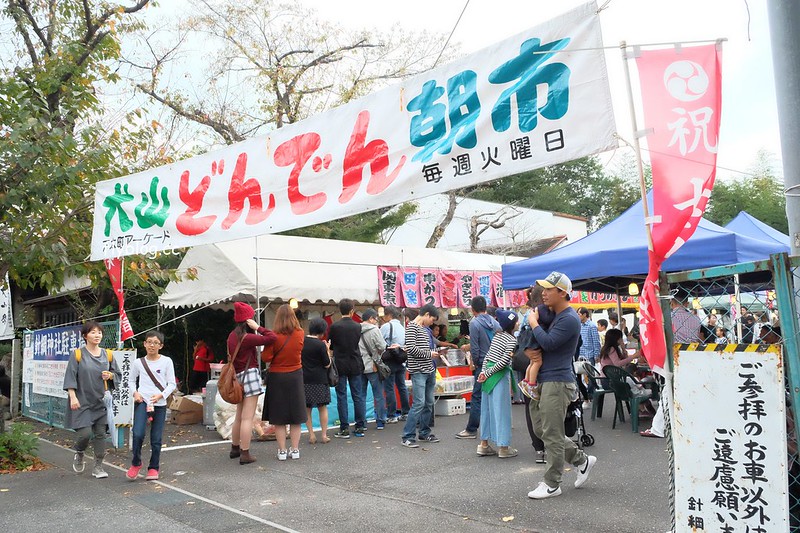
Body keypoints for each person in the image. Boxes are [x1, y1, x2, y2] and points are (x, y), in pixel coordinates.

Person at [525, 272, 596, 500]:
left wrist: (534, 323)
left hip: (558, 381)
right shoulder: (556, 315)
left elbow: (549, 343)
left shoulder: (569, 318)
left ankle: (552, 483)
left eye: (549, 289)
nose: (543, 294)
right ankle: (581, 460)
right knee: (541, 430)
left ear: (562, 292)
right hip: (546, 379)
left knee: (552, 434)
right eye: (543, 289)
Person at [63, 321, 122, 479]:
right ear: (85, 336)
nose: (97, 335)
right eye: (93, 332)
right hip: (82, 402)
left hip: (101, 402)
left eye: (99, 332)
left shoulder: (108, 354)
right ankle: (80, 452)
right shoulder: (78, 354)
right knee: (85, 434)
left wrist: (110, 376)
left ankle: (98, 466)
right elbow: (70, 377)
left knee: (101, 434)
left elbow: (117, 375)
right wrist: (73, 397)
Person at [640, 288, 701, 439]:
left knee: (667, 393)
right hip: (690, 358)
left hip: (670, 358)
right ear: (686, 302)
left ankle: (658, 428)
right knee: (687, 392)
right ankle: (686, 424)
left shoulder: (667, 318)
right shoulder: (696, 320)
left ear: (671, 302)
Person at [227, 302, 277, 464]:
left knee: (239, 416)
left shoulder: (231, 336)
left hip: (237, 377)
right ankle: (245, 453)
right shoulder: (247, 337)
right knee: (248, 417)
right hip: (250, 376)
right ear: (248, 320)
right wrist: (258, 327)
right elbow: (272, 337)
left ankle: (235, 448)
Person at [126, 330, 176, 481]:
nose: (151, 345)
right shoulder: (138, 363)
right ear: (144, 344)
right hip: (143, 402)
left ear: (161, 345)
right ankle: (136, 462)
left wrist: (161, 395)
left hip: (159, 404)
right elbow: (131, 381)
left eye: (155, 343)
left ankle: (154, 467)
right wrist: (135, 393)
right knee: (138, 433)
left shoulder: (167, 361)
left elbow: (172, 383)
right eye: (149, 342)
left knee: (156, 438)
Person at [261, 303, 307, 461]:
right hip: (295, 376)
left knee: (279, 417)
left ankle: (282, 451)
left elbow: (265, 358)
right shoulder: (300, 333)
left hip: (277, 377)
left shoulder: (273, 337)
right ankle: (295, 450)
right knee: (296, 416)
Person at [476, 309, 519, 459]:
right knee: (502, 411)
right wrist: (488, 373)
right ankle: (503, 447)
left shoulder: (497, 336)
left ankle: (484, 445)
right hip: (499, 376)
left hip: (488, 374)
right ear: (513, 325)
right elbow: (504, 362)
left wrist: (484, 373)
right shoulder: (512, 340)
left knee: (486, 410)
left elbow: (488, 356)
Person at [455, 296, 500, 440]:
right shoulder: (494, 322)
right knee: (494, 396)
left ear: (472, 309)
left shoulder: (474, 323)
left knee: (477, 397)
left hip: (482, 363)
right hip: (496, 363)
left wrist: (473, 363)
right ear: (485, 308)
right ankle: (495, 428)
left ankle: (471, 429)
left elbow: (475, 347)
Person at [401, 303, 441, 448]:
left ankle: (424, 432)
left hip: (429, 369)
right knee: (419, 403)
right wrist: (429, 354)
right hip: (418, 371)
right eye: (432, 319)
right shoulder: (411, 327)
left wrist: (433, 352)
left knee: (428, 403)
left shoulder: (424, 329)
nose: (432, 322)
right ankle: (408, 436)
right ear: (426, 315)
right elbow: (411, 349)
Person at [329, 298, 367, 439]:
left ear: (340, 310)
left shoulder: (334, 327)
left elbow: (332, 346)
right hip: (355, 363)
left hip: (340, 363)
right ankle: (360, 426)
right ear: (352, 311)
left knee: (342, 396)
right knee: (358, 395)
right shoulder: (358, 326)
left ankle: (344, 428)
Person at [302, 317, 332, 444]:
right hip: (320, 380)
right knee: (322, 407)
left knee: (307, 408)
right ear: (322, 331)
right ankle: (324, 435)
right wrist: (327, 350)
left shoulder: (302, 341)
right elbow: (327, 364)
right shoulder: (320, 344)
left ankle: (311, 435)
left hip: (305, 379)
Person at [359, 308, 388, 430]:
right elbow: (382, 346)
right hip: (373, 366)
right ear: (371, 318)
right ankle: (380, 421)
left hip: (359, 366)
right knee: (378, 395)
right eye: (375, 319)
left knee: (360, 396)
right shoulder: (375, 330)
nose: (376, 321)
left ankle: (362, 423)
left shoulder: (356, 329)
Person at [380, 306, 409, 423]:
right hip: (401, 360)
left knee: (389, 388)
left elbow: (379, 342)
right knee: (402, 386)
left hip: (390, 361)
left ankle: (391, 415)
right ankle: (405, 412)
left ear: (388, 315)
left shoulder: (386, 326)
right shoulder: (403, 327)